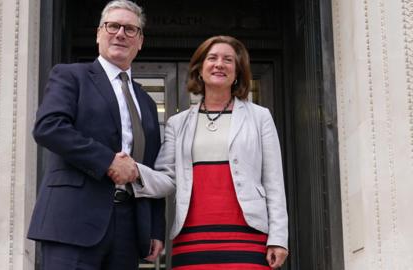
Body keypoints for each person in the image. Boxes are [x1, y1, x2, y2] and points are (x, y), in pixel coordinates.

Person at [111, 35, 288, 269]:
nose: (219, 64)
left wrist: (278, 238)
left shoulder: (260, 116)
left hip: (248, 236)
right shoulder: (177, 122)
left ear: (237, 73)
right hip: (192, 236)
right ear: (200, 70)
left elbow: (273, 181)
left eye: (228, 60)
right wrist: (135, 172)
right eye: (212, 58)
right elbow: (167, 177)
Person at [27, 1, 165, 269]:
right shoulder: (70, 76)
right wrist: (108, 161)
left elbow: (152, 166)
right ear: (99, 33)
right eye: (113, 26)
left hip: (128, 226)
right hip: (72, 220)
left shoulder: (146, 102)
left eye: (130, 29)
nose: (120, 34)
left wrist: (155, 227)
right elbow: (49, 127)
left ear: (140, 41)